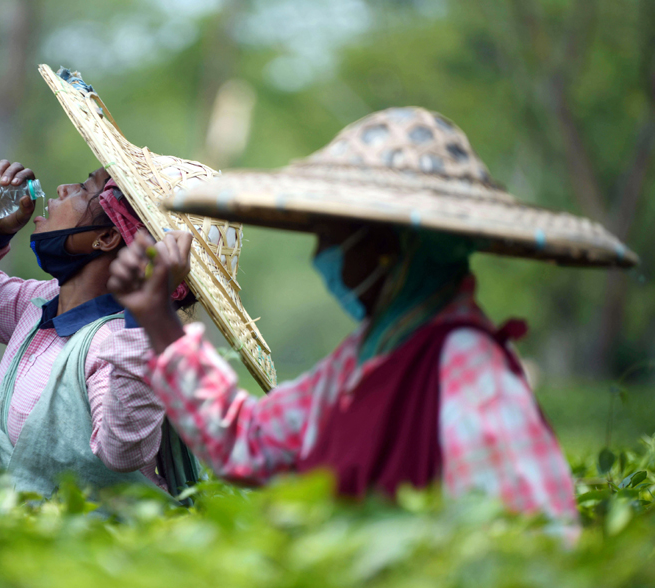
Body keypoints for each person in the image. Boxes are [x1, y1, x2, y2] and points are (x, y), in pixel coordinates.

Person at [107, 107, 638, 525]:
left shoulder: (466, 365)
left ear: (388, 245)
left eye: (334, 234)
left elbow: (526, 536)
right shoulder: (364, 360)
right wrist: (160, 320)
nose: (322, 254)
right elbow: (249, 442)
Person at [0, 159, 196, 498]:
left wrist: (149, 311)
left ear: (108, 236)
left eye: (84, 189)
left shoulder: (114, 343)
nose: (62, 189)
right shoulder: (41, 304)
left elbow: (123, 454)